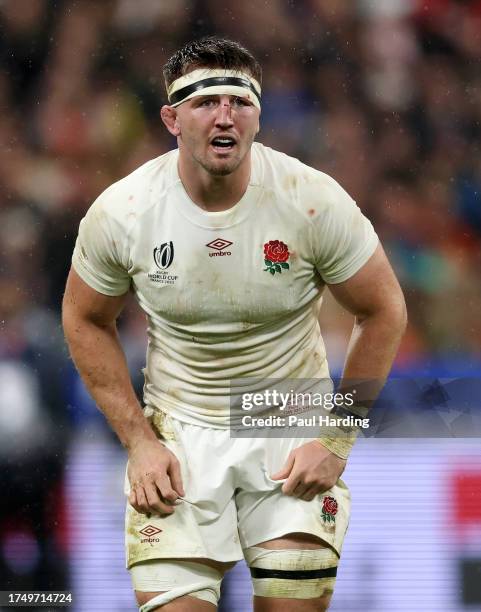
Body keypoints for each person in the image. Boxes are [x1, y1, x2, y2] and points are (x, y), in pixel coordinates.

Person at [62, 36, 406, 612]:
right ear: (171, 118)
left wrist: (337, 439)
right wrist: (139, 443)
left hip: (286, 418)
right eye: (203, 101)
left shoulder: (312, 200)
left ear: (258, 116)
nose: (224, 115)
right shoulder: (123, 212)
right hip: (180, 429)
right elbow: (82, 318)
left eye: (239, 101)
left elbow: (384, 310)